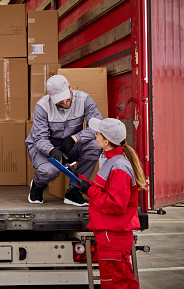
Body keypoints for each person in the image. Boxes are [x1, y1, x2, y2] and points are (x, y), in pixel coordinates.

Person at [68, 117, 146, 289]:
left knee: (114, 283)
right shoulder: (112, 161)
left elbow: (116, 205)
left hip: (113, 236)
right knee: (123, 280)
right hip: (112, 235)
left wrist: (89, 190)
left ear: (106, 140)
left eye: (97, 133)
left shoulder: (118, 166)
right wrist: (80, 180)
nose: (95, 135)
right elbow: (104, 191)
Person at [25, 75, 103, 206]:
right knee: (49, 171)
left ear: (70, 87)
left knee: (95, 146)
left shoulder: (84, 99)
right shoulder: (42, 107)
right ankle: (37, 185)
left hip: (72, 145)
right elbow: (39, 138)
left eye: (66, 99)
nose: (65, 103)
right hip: (46, 148)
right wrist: (51, 151)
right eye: (60, 101)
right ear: (50, 95)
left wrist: (74, 139)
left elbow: (98, 127)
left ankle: (74, 191)